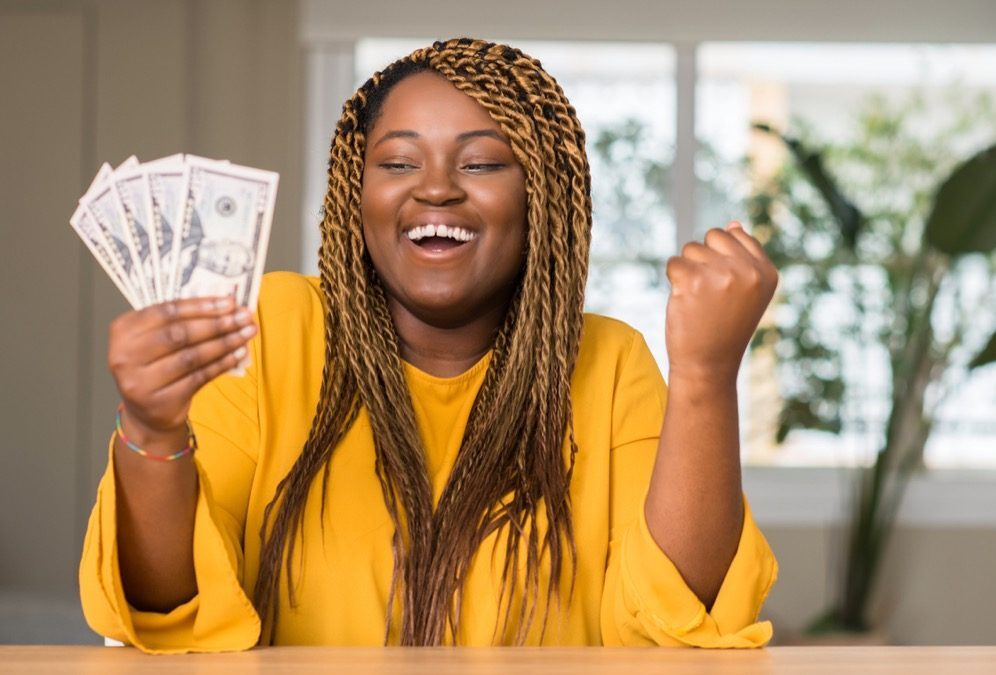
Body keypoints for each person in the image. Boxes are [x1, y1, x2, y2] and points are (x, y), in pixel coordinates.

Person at [79, 38, 779, 653]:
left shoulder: (608, 364)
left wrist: (704, 377)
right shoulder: (274, 328)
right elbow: (169, 606)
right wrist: (152, 430)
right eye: (398, 163)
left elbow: (680, 627)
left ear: (544, 198)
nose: (436, 189)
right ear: (355, 195)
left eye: (479, 164)